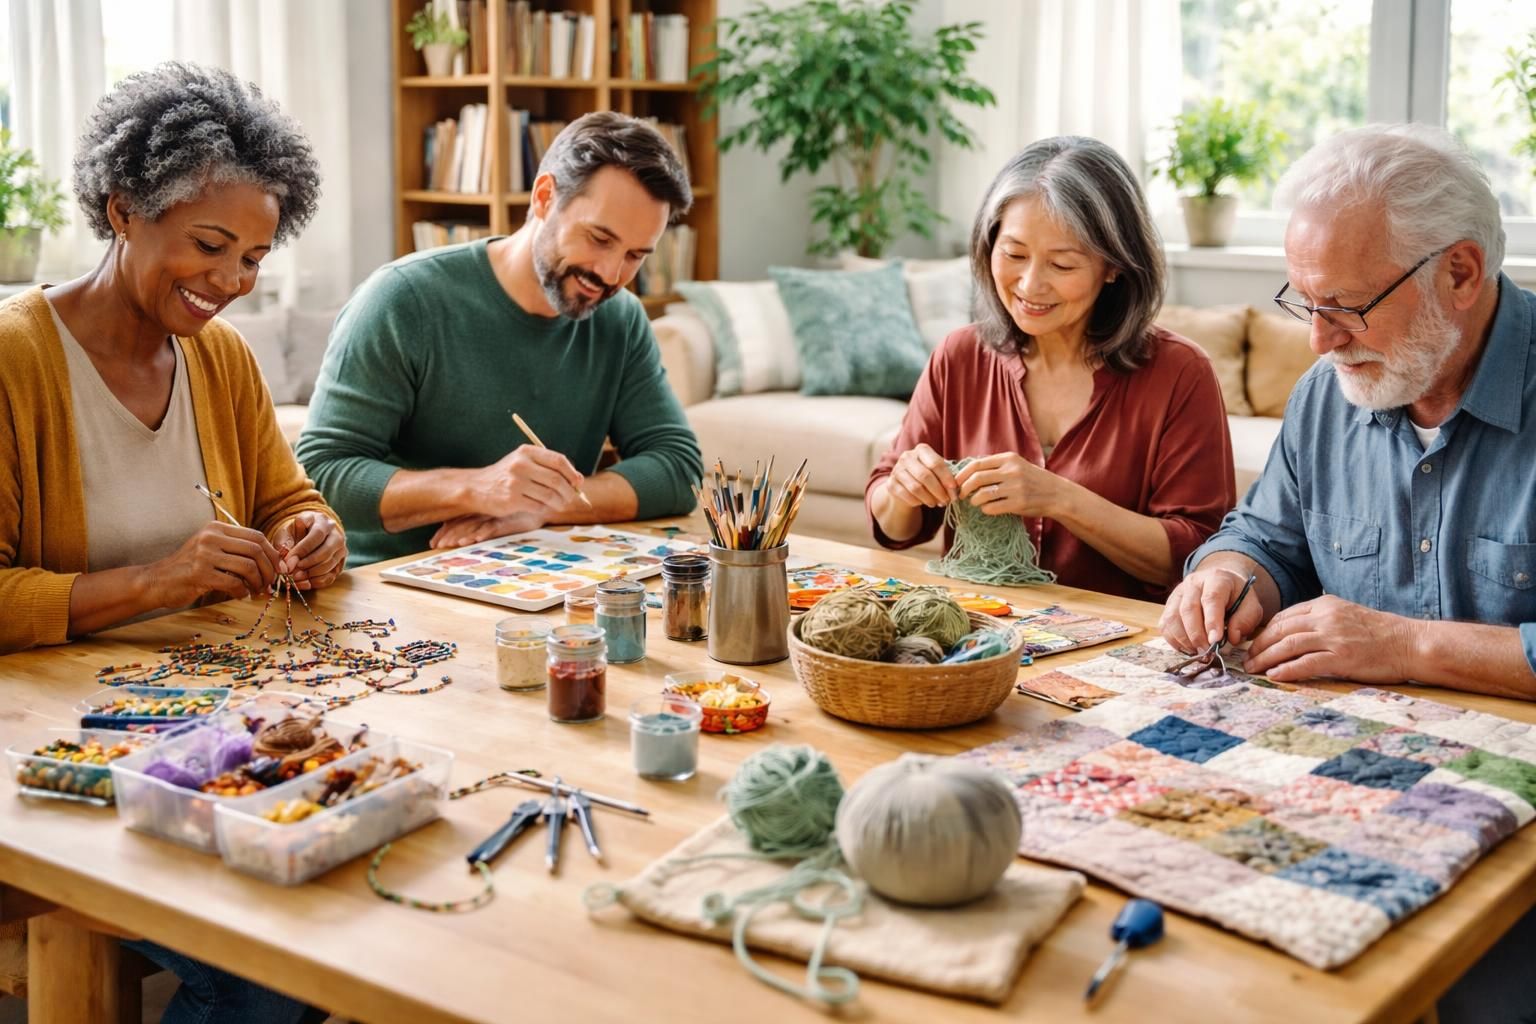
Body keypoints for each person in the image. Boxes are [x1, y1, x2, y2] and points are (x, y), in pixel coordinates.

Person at [0, 62, 341, 1022]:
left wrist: (311, 535)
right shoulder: (15, 358)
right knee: (275, 963)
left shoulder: (219, 356)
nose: (231, 283)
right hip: (49, 752)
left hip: (195, 725)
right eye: (210, 245)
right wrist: (157, 582)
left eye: (254, 259)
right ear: (121, 209)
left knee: (336, 886)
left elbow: (290, 496)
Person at [1161, 124, 1536, 698]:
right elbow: (1264, 540)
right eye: (1306, 304)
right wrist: (1226, 576)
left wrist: (1405, 646)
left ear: (1459, 272)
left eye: (1346, 307)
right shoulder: (1324, 396)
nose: (1319, 341)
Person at [297, 111, 703, 566]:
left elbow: (679, 469)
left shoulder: (620, 319)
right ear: (545, 197)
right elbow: (321, 473)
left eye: (635, 255)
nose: (611, 274)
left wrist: (546, 506)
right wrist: (478, 489)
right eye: (599, 238)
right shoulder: (403, 300)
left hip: (534, 576)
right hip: (390, 587)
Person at [866, 136, 1234, 599]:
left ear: (1115, 266)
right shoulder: (960, 355)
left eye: (1061, 264)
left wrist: (1059, 498)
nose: (1030, 284)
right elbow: (895, 526)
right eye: (1014, 254)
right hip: (982, 635)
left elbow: (1198, 556)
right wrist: (903, 489)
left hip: (1120, 647)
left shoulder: (1180, 373)